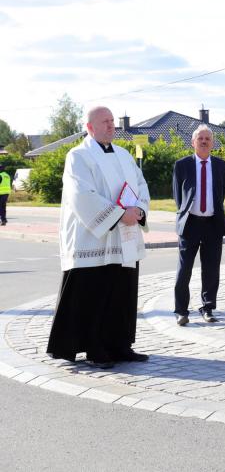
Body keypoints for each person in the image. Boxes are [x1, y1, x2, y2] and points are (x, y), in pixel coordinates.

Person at [46, 106, 150, 369]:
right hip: (93, 238)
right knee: (94, 294)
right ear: (90, 127)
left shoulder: (125, 155)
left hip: (124, 238)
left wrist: (139, 210)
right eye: (105, 121)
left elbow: (141, 186)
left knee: (121, 291)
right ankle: (94, 347)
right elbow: (81, 195)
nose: (111, 125)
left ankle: (120, 344)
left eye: (112, 121)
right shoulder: (78, 156)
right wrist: (119, 214)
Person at [172, 125, 225, 326]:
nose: (204, 141)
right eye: (200, 138)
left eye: (207, 139)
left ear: (212, 143)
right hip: (190, 224)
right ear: (193, 142)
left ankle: (208, 307)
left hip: (213, 224)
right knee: (184, 269)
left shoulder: (222, 165)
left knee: (211, 269)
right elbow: (178, 197)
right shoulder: (182, 164)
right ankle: (181, 311)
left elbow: (221, 193)